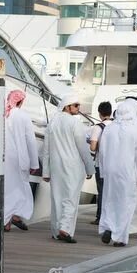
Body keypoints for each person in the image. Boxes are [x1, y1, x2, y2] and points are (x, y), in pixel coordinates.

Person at [98, 99, 137, 247]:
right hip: (127, 171)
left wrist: (103, 172)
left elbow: (102, 152)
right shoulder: (135, 130)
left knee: (110, 201)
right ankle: (120, 237)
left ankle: (109, 227)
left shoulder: (109, 129)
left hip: (110, 171)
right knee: (126, 203)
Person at [42, 93, 95, 243]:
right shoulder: (75, 123)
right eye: (76, 105)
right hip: (72, 166)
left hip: (56, 166)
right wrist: (90, 169)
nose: (79, 108)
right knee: (70, 198)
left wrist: (46, 170)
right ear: (67, 106)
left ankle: (56, 230)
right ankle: (64, 228)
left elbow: (46, 149)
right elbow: (83, 149)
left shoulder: (52, 123)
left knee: (57, 198)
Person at [4, 90, 39, 232]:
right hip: (19, 158)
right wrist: (35, 163)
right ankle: (12, 217)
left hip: (2, 159)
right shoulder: (23, 116)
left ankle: (7, 219)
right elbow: (30, 140)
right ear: (21, 101)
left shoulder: (3, 114)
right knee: (19, 189)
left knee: (6, 189)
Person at [87, 101, 112, 225]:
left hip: (100, 164)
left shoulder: (98, 127)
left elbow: (92, 147)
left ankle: (100, 216)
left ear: (100, 113)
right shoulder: (115, 125)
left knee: (102, 191)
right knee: (111, 191)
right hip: (113, 164)